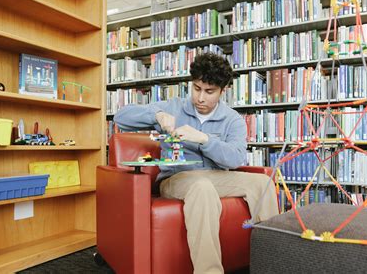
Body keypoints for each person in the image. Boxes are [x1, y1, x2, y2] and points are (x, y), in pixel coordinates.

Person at [114, 52, 278, 274]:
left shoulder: (233, 120)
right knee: (202, 187)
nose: (200, 98)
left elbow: (237, 158)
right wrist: (157, 116)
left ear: (223, 91)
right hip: (176, 179)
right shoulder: (174, 106)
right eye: (196, 88)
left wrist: (204, 140)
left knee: (262, 182)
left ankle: (273, 264)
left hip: (217, 176)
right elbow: (121, 117)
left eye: (209, 92)